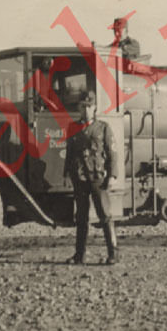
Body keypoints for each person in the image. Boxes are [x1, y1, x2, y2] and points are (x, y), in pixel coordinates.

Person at [64, 91, 120, 265]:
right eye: (83, 106)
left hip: (98, 178)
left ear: (94, 108)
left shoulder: (103, 128)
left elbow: (112, 154)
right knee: (81, 218)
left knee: (105, 215)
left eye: (89, 106)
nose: (86, 110)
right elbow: (69, 153)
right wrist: (66, 174)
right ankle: (79, 255)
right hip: (79, 178)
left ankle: (113, 254)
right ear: (79, 108)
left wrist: (113, 175)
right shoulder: (73, 128)